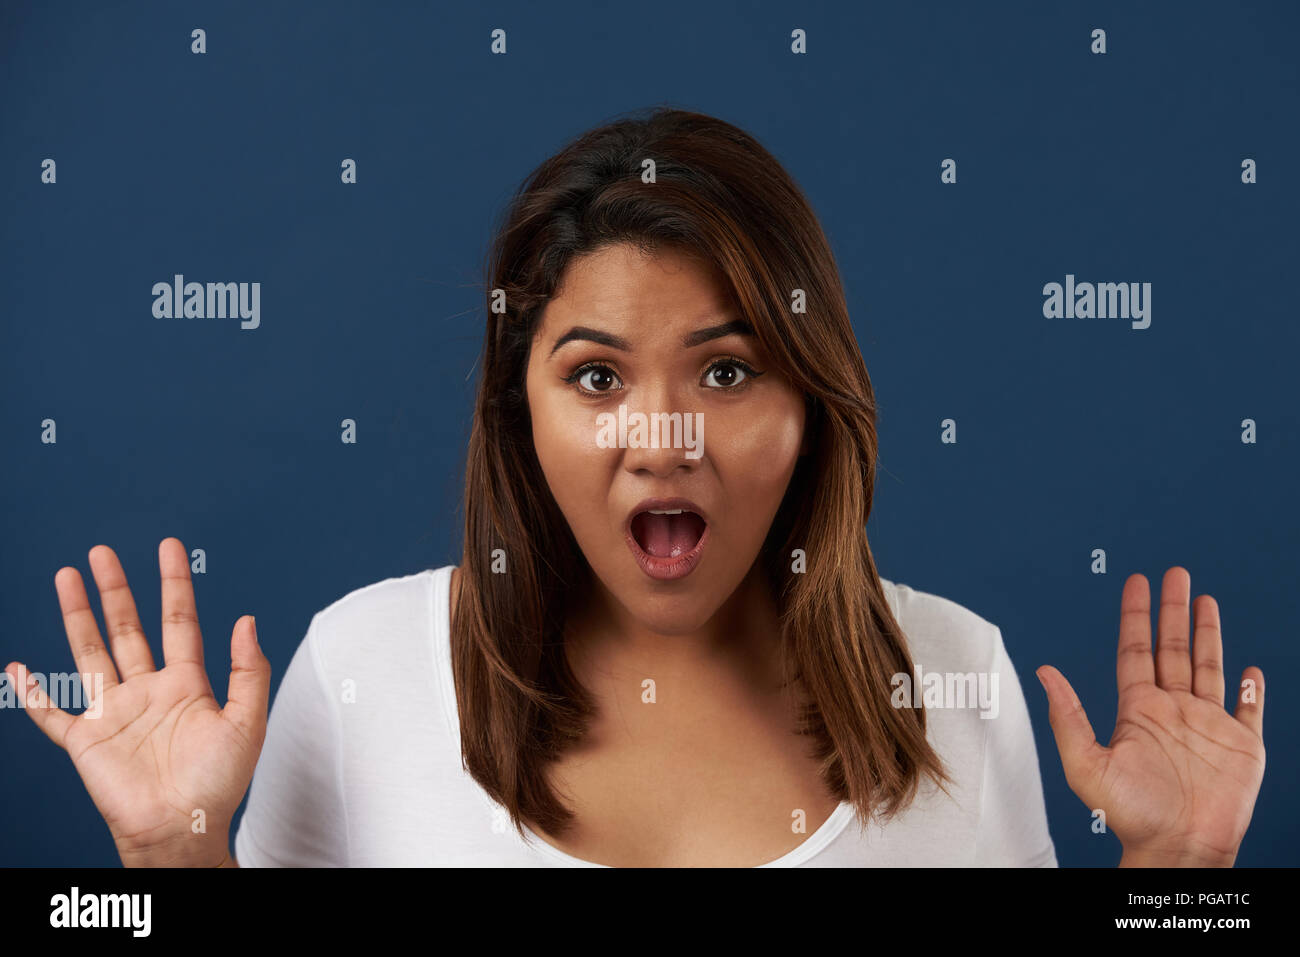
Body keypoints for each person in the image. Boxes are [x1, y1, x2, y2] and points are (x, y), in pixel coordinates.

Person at [5, 107, 1266, 867]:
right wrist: (162, 859)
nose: (662, 436)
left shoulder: (955, 675)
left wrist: (1185, 875)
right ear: (519, 407)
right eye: (596, 378)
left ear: (811, 399)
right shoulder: (363, 664)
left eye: (726, 371)